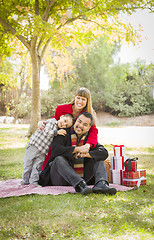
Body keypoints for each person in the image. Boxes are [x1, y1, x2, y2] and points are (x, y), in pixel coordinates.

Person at [38, 112, 117, 196]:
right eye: (79, 121)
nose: (80, 125)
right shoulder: (64, 132)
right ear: (75, 122)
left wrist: (86, 154)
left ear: (88, 128)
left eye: (85, 124)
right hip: (60, 177)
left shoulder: (89, 140)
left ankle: (101, 184)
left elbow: (104, 152)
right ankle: (80, 185)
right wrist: (77, 149)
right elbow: (55, 150)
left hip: (84, 177)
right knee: (58, 159)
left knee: (98, 157)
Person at [38, 87, 98, 170]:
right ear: (75, 97)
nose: (80, 101)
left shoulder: (89, 114)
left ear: (87, 101)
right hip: (61, 141)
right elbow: (54, 120)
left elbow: (93, 131)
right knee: (48, 163)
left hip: (76, 142)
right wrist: (42, 122)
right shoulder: (61, 109)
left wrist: (88, 145)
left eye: (83, 99)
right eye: (78, 98)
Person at [21, 114, 75, 185]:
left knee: (37, 167)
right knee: (28, 165)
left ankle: (33, 182)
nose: (64, 124)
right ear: (61, 116)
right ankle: (25, 181)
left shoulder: (58, 130)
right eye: (65, 120)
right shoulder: (52, 122)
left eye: (66, 125)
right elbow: (46, 132)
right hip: (34, 146)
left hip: (43, 151)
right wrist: (56, 132)